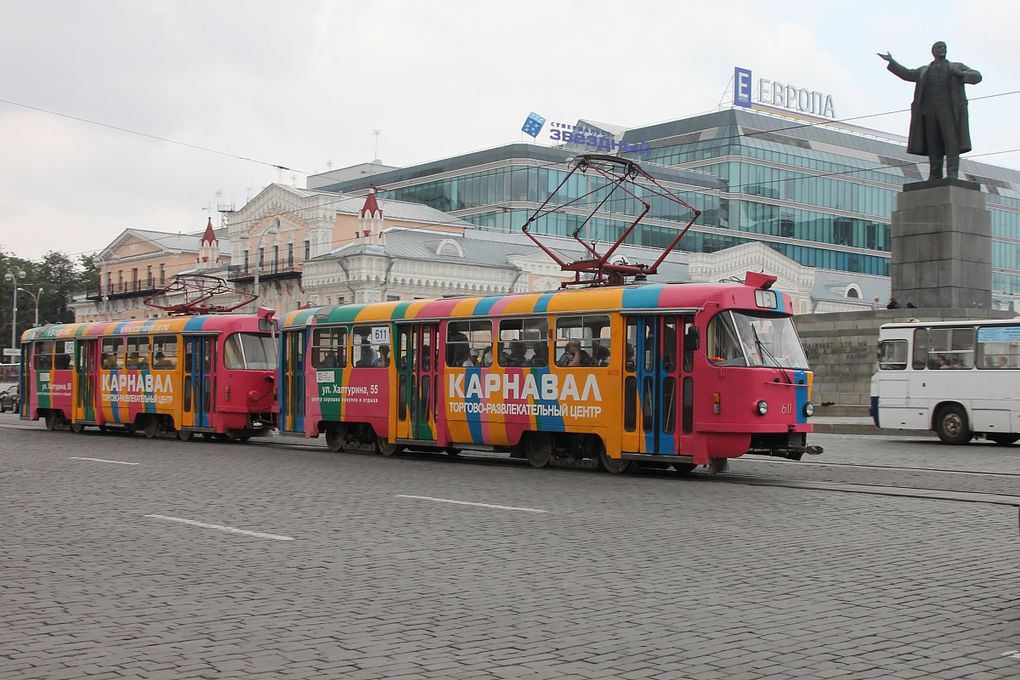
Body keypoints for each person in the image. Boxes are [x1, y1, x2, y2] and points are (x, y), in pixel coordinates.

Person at [879, 42, 982, 180]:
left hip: (949, 112)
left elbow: (977, 76)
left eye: (945, 47)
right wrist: (892, 61)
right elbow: (907, 74)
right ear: (933, 51)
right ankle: (935, 174)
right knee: (933, 144)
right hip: (929, 112)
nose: (943, 49)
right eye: (939, 47)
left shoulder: (955, 66)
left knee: (951, 143)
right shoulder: (924, 70)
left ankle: (952, 174)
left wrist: (958, 73)